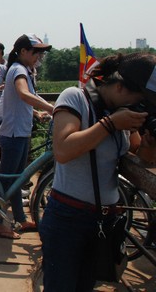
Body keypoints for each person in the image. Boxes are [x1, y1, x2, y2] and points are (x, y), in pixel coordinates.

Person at [40, 53, 156, 291]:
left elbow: (138, 155)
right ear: (120, 87)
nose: (142, 106)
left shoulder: (122, 113)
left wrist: (149, 142)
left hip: (104, 220)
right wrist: (110, 124)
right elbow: (63, 150)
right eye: (141, 99)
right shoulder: (76, 98)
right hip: (68, 219)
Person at [0, 34, 54, 239]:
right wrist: (51, 108)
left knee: (18, 179)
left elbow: (21, 101)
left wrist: (36, 113)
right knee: (6, 180)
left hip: (21, 131)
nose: (38, 57)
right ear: (23, 51)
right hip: (13, 134)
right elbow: (23, 94)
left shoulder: (23, 70)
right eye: (36, 53)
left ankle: (20, 218)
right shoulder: (18, 70)